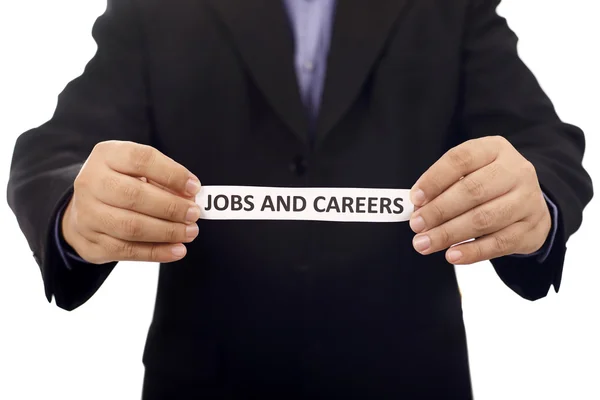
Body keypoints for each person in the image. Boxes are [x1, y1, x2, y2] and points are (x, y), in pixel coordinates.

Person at [6, 0, 593, 398]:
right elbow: (55, 155)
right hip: (208, 376)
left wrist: (534, 195)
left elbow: (543, 146)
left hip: (407, 373)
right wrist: (74, 209)